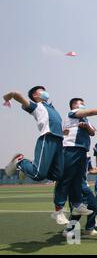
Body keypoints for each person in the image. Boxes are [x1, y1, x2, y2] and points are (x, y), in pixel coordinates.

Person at [3, 87, 65, 218]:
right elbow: (17, 93)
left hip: (59, 141)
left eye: (45, 90)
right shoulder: (36, 106)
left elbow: (55, 123)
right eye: (40, 91)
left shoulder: (52, 109)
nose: (44, 92)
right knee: (38, 175)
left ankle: (59, 210)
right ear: (35, 96)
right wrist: (8, 97)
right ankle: (20, 161)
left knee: (61, 176)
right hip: (47, 138)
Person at [53, 97, 97, 225]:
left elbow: (93, 132)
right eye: (80, 104)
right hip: (70, 149)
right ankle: (59, 210)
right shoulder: (71, 114)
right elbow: (90, 112)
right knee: (66, 179)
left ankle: (77, 205)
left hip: (82, 151)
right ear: (74, 107)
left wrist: (86, 126)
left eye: (84, 104)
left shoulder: (86, 120)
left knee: (77, 179)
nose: (83, 106)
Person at [63, 158, 97, 237]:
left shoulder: (86, 155)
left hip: (84, 184)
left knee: (93, 206)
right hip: (74, 185)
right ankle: (69, 230)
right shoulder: (72, 152)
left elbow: (90, 169)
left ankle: (89, 229)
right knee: (77, 210)